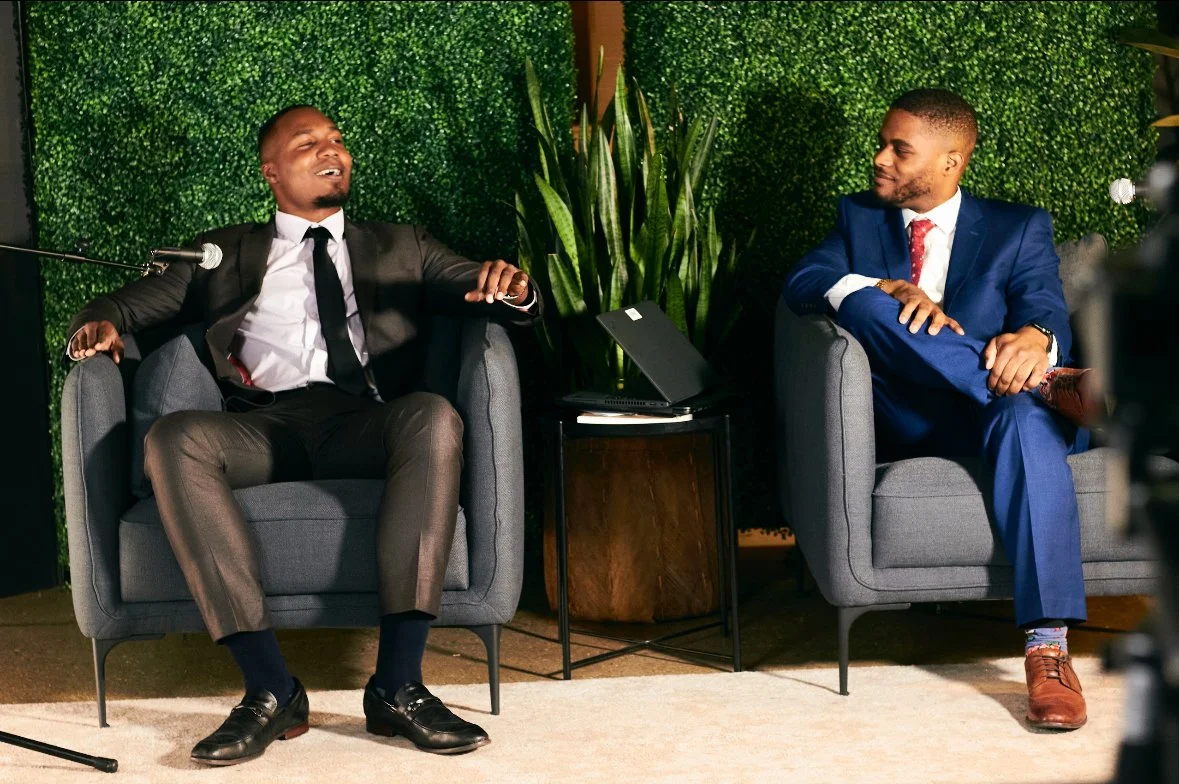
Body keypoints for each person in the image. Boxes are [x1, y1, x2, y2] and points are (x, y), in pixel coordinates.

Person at [66, 104, 541, 764]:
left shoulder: (404, 244)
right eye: (308, 143)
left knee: (433, 415)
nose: (331, 150)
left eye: (337, 140)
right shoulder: (220, 253)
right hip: (263, 428)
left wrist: (513, 289)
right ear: (271, 171)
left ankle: (398, 686)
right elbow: (120, 304)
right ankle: (270, 689)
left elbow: (485, 285)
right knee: (172, 438)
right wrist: (98, 325)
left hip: (367, 422)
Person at [782, 89, 1103, 731]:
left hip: (999, 416)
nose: (880, 159)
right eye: (883, 143)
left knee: (1024, 418)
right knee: (864, 302)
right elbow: (802, 283)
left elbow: (1043, 304)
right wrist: (883, 286)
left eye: (899, 150)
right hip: (906, 417)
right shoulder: (859, 219)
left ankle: (1047, 652)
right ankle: (1050, 386)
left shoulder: (1017, 227)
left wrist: (1038, 338)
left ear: (951, 160)